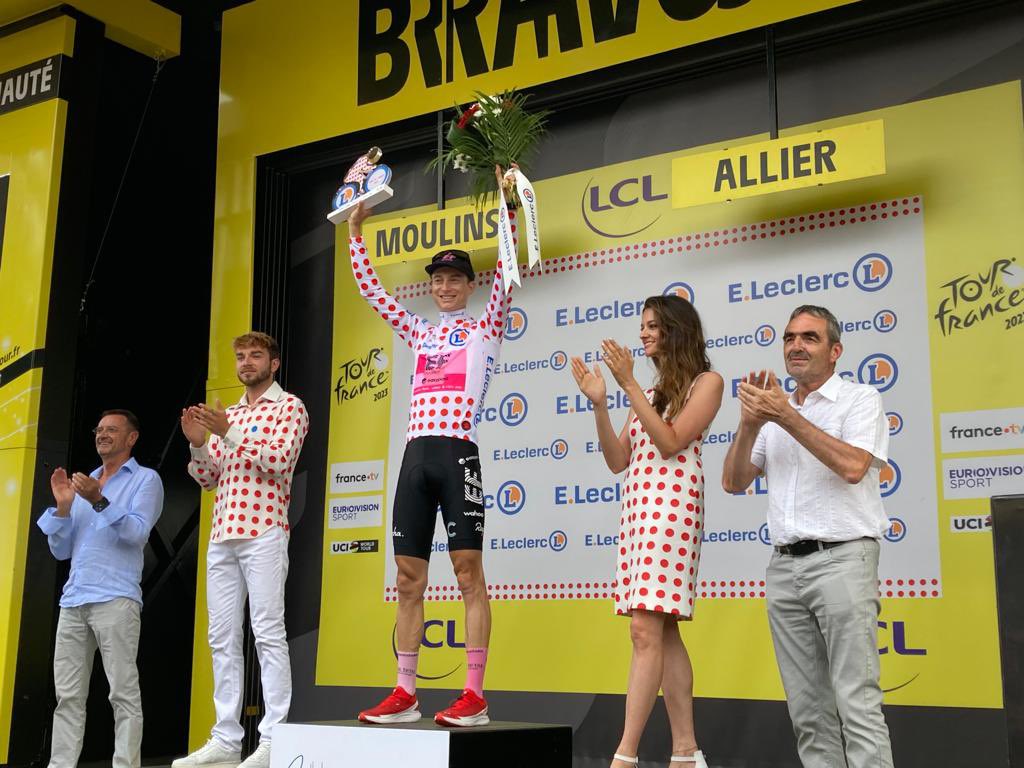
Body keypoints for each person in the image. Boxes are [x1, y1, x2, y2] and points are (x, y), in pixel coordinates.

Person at [349, 167, 519, 727]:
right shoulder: (419, 330)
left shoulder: (486, 326)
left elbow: (510, 273)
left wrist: (509, 204)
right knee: (406, 579)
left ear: (471, 285)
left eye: (455, 279)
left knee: (468, 572)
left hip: (456, 452)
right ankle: (405, 692)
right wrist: (355, 232)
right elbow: (373, 293)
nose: (444, 287)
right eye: (438, 280)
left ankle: (475, 693)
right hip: (415, 456)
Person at [721, 304, 894, 768]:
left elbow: (854, 466)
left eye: (810, 338)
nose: (796, 345)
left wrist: (785, 416)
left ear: (835, 350)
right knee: (808, 712)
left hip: (842, 560)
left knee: (857, 705)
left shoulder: (860, 399)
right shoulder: (774, 409)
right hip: (784, 567)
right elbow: (734, 481)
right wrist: (751, 423)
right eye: (790, 337)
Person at [571, 295, 723, 768]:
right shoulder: (651, 394)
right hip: (639, 513)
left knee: (644, 629)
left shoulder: (708, 382)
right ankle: (685, 752)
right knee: (663, 630)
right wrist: (601, 404)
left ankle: (625, 755)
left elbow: (672, 441)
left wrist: (629, 382)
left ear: (677, 330)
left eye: (653, 325)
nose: (643, 334)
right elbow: (619, 461)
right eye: (643, 326)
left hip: (672, 511)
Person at [174, 332, 309, 768]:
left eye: (255, 355)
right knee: (221, 638)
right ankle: (227, 740)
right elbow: (209, 478)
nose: (246, 362)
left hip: (265, 530)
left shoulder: (289, 406)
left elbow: (279, 460)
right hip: (222, 535)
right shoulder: (226, 414)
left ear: (274, 363)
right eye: (240, 356)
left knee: (268, 632)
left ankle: (274, 737)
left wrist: (228, 432)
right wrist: (198, 442)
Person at [38, 410, 164, 768]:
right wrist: (63, 509)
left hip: (116, 598)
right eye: (99, 430)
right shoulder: (84, 482)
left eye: (112, 429)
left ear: (131, 438)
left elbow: (137, 534)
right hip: (75, 598)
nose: (103, 435)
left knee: (122, 694)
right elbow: (61, 551)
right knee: (67, 697)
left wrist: (98, 500)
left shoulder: (146, 480)